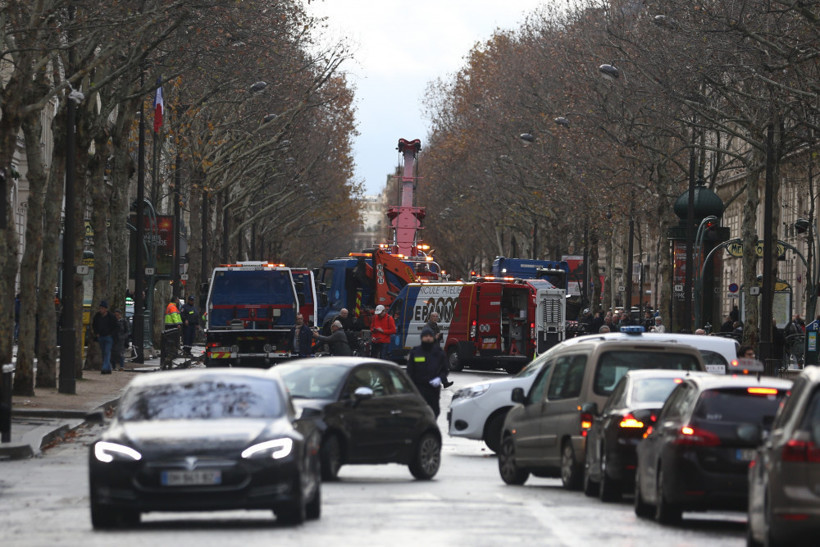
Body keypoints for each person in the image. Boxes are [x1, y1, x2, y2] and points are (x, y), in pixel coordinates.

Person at [406, 326, 448, 417]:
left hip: (433, 390)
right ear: (422, 337)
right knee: (418, 413)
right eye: (426, 336)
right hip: (418, 389)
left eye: (430, 336)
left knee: (434, 412)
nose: (428, 338)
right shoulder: (415, 352)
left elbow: (445, 370)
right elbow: (409, 371)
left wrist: (439, 378)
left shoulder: (439, 352)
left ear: (433, 338)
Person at [92, 300, 117, 374]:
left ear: (106, 309)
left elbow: (115, 326)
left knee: (107, 352)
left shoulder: (111, 317)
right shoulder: (97, 316)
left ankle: (104, 368)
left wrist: (111, 334)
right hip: (101, 336)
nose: (101, 310)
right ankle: (108, 368)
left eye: (102, 308)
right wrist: (96, 333)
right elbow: (94, 325)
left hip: (109, 337)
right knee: (104, 352)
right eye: (100, 308)